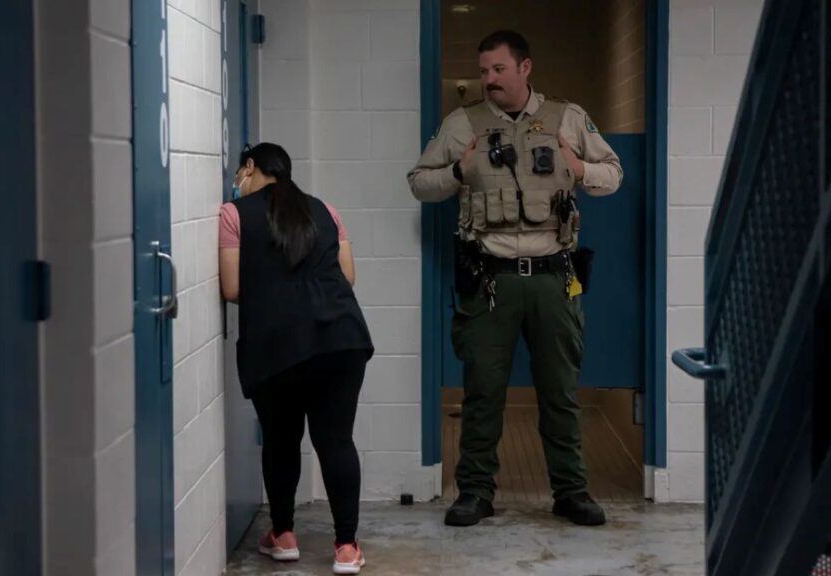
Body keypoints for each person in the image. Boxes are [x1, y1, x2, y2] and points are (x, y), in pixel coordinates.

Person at [407, 30, 623, 528]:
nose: (488, 80)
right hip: (490, 280)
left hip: (553, 277)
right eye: (483, 71)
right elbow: (419, 182)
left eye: (498, 70)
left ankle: (571, 491)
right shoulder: (462, 125)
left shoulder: (568, 118)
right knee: (482, 392)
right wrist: (458, 172)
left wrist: (577, 166)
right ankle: (475, 492)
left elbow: (614, 173)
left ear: (525, 68)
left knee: (560, 391)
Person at [219, 142, 374, 574]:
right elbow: (348, 276)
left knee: (281, 439)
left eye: (240, 172)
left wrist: (273, 291)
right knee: (336, 441)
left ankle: (284, 535)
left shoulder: (234, 215)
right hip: (341, 338)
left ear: (249, 168)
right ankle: (346, 547)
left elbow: (231, 288)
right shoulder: (324, 209)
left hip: (276, 345)